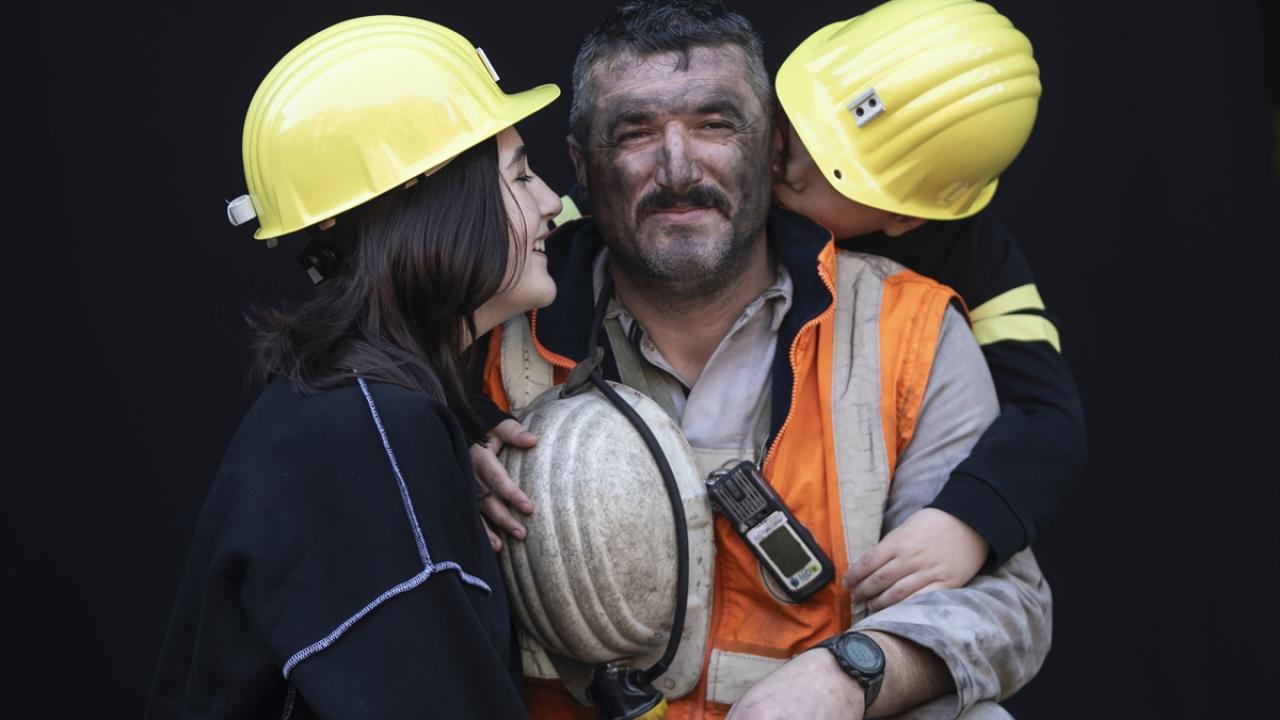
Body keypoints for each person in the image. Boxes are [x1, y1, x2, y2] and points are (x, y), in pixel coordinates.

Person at [476, 1, 1050, 718]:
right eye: (635, 132)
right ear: (582, 167)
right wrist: (449, 478)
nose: (678, 168)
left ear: (770, 145)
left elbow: (1006, 605)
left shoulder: (909, 328)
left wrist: (854, 676)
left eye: (715, 125)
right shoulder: (491, 334)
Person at [146, 16, 562, 719]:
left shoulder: (345, 419)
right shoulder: (367, 447)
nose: (552, 201)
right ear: (430, 207)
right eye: (520, 176)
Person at [771, 0, 1087, 611]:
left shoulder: (967, 250)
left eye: (830, 171)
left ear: (903, 216)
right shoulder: (728, 132)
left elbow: (1050, 414)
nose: (786, 165)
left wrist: (966, 521)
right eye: (794, 127)